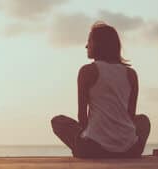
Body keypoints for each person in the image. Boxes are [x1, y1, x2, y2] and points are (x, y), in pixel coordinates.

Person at [51, 21, 151, 158]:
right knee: (143, 120)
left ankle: (83, 149)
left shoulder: (87, 71)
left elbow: (82, 116)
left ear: (99, 44)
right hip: (129, 149)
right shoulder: (131, 74)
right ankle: (122, 150)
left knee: (58, 121)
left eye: (89, 41)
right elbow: (130, 116)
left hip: (93, 149)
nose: (86, 46)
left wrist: (87, 137)